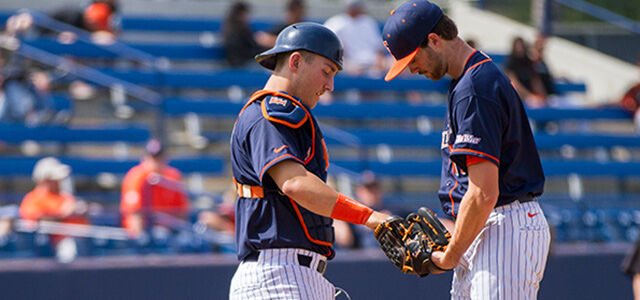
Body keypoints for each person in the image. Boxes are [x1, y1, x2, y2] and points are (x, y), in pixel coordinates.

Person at [381, 1, 550, 298]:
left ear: (434, 40)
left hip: (503, 225)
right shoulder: (468, 81)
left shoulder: (474, 88)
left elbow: (484, 193)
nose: (411, 68)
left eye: (412, 58)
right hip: (488, 225)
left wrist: (449, 256)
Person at [228, 22, 390, 299]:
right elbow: (294, 184)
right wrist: (371, 217)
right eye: (326, 72)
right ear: (296, 61)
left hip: (290, 273)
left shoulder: (284, 113)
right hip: (279, 274)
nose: (330, 85)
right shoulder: (271, 113)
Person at [120, 139, 190, 238]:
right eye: (152, 158)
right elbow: (134, 214)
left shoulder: (173, 176)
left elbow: (182, 212)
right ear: (145, 158)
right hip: (146, 228)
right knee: (159, 235)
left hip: (170, 227)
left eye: (159, 158)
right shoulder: (136, 177)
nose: (155, 162)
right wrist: (139, 239)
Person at [20, 157, 88, 258]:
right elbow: (38, 220)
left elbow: (79, 209)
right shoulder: (33, 198)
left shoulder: (64, 196)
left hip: (83, 241)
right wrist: (63, 214)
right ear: (44, 180)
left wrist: (83, 209)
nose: (58, 182)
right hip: (54, 247)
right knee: (69, 248)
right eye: (54, 180)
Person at [324, 0, 386, 76]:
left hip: (371, 63)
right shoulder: (335, 22)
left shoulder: (368, 22)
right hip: (347, 63)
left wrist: (378, 64)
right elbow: (331, 49)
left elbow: (378, 48)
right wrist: (346, 63)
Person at [505, 37, 548, 108]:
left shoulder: (528, 62)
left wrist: (542, 96)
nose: (519, 48)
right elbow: (514, 84)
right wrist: (528, 96)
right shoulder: (510, 63)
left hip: (531, 96)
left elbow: (535, 81)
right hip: (518, 97)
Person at [222, 2, 265, 68]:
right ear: (241, 14)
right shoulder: (239, 31)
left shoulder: (232, 29)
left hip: (241, 62)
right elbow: (246, 51)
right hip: (241, 63)